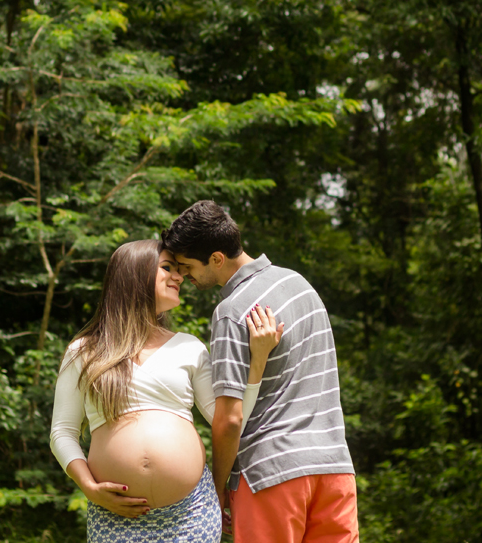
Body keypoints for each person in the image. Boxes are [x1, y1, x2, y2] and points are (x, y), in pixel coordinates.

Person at [49, 239, 284, 542]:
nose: (179, 276)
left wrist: (258, 361)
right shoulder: (84, 351)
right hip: (115, 517)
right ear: (134, 275)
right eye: (167, 268)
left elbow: (228, 419)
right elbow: (62, 431)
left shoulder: (189, 347)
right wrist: (89, 488)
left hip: (191, 513)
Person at [161, 200, 359, 543]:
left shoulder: (232, 311)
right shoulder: (300, 285)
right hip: (335, 468)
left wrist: (218, 488)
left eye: (187, 266)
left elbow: (230, 419)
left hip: (271, 474)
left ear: (217, 259)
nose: (183, 276)